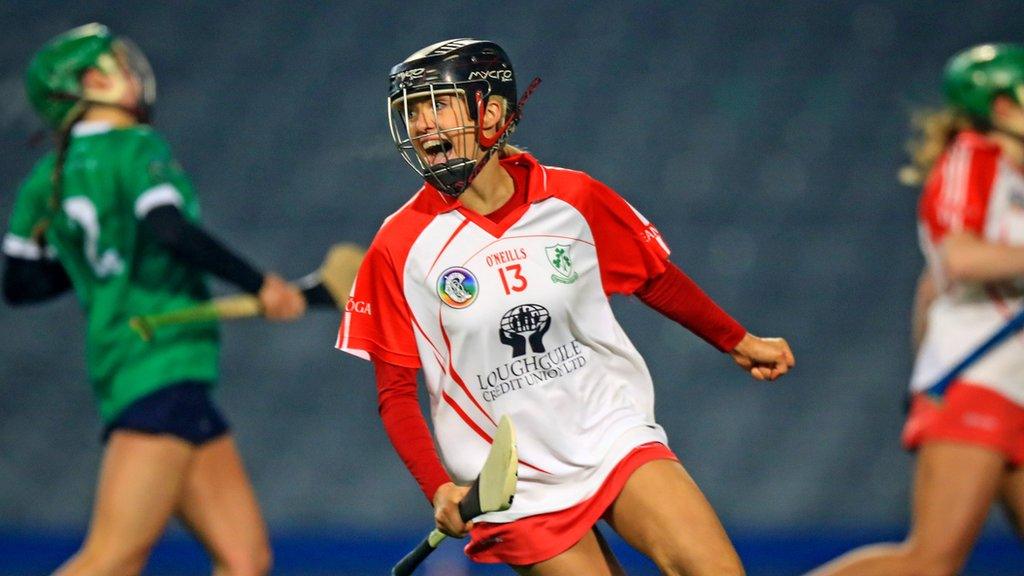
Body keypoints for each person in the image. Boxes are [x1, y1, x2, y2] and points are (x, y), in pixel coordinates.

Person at [336, 38, 794, 575]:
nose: (421, 124)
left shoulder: (573, 199)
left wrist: (738, 341)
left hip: (610, 434)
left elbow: (655, 279)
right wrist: (437, 485)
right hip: (511, 485)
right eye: (412, 110)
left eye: (438, 104)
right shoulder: (399, 246)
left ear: (493, 112)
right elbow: (394, 393)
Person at [2, 23, 308, 575]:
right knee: (113, 558)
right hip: (156, 365)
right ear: (92, 81)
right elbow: (167, 227)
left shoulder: (48, 175)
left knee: (245, 559)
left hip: (152, 369)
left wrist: (104, 263)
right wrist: (260, 284)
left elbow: (19, 283)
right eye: (115, 63)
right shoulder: (136, 146)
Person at [809, 43, 1024, 576]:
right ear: (1000, 108)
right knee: (929, 561)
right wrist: (939, 385)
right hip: (979, 383)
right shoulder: (976, 157)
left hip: (1009, 389)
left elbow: (929, 290)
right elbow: (959, 257)